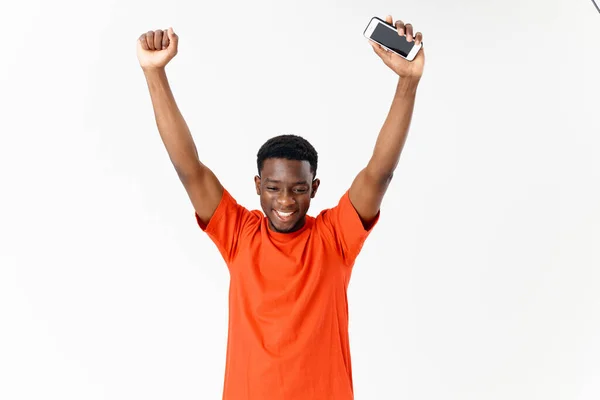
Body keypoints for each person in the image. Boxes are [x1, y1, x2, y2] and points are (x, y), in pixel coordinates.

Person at [136, 14, 425, 400]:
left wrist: (407, 83)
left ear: (314, 188)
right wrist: (154, 74)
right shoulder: (239, 234)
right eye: (273, 188)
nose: (286, 201)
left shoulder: (335, 237)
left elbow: (379, 173)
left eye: (298, 189)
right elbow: (189, 169)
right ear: (258, 186)